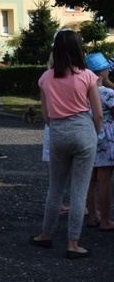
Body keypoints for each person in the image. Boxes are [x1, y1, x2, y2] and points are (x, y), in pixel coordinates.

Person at [30, 29, 102, 259]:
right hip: (83, 130)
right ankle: (73, 243)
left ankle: (46, 235)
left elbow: (46, 115)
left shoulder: (45, 78)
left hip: (58, 132)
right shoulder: (88, 76)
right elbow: (98, 114)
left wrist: (58, 127)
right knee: (79, 191)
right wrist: (94, 133)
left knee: (56, 188)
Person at [83, 52, 114, 231]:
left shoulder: (84, 91)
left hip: (89, 135)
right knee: (105, 180)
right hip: (107, 137)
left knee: (90, 179)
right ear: (101, 72)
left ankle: (92, 216)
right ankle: (106, 220)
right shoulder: (107, 93)